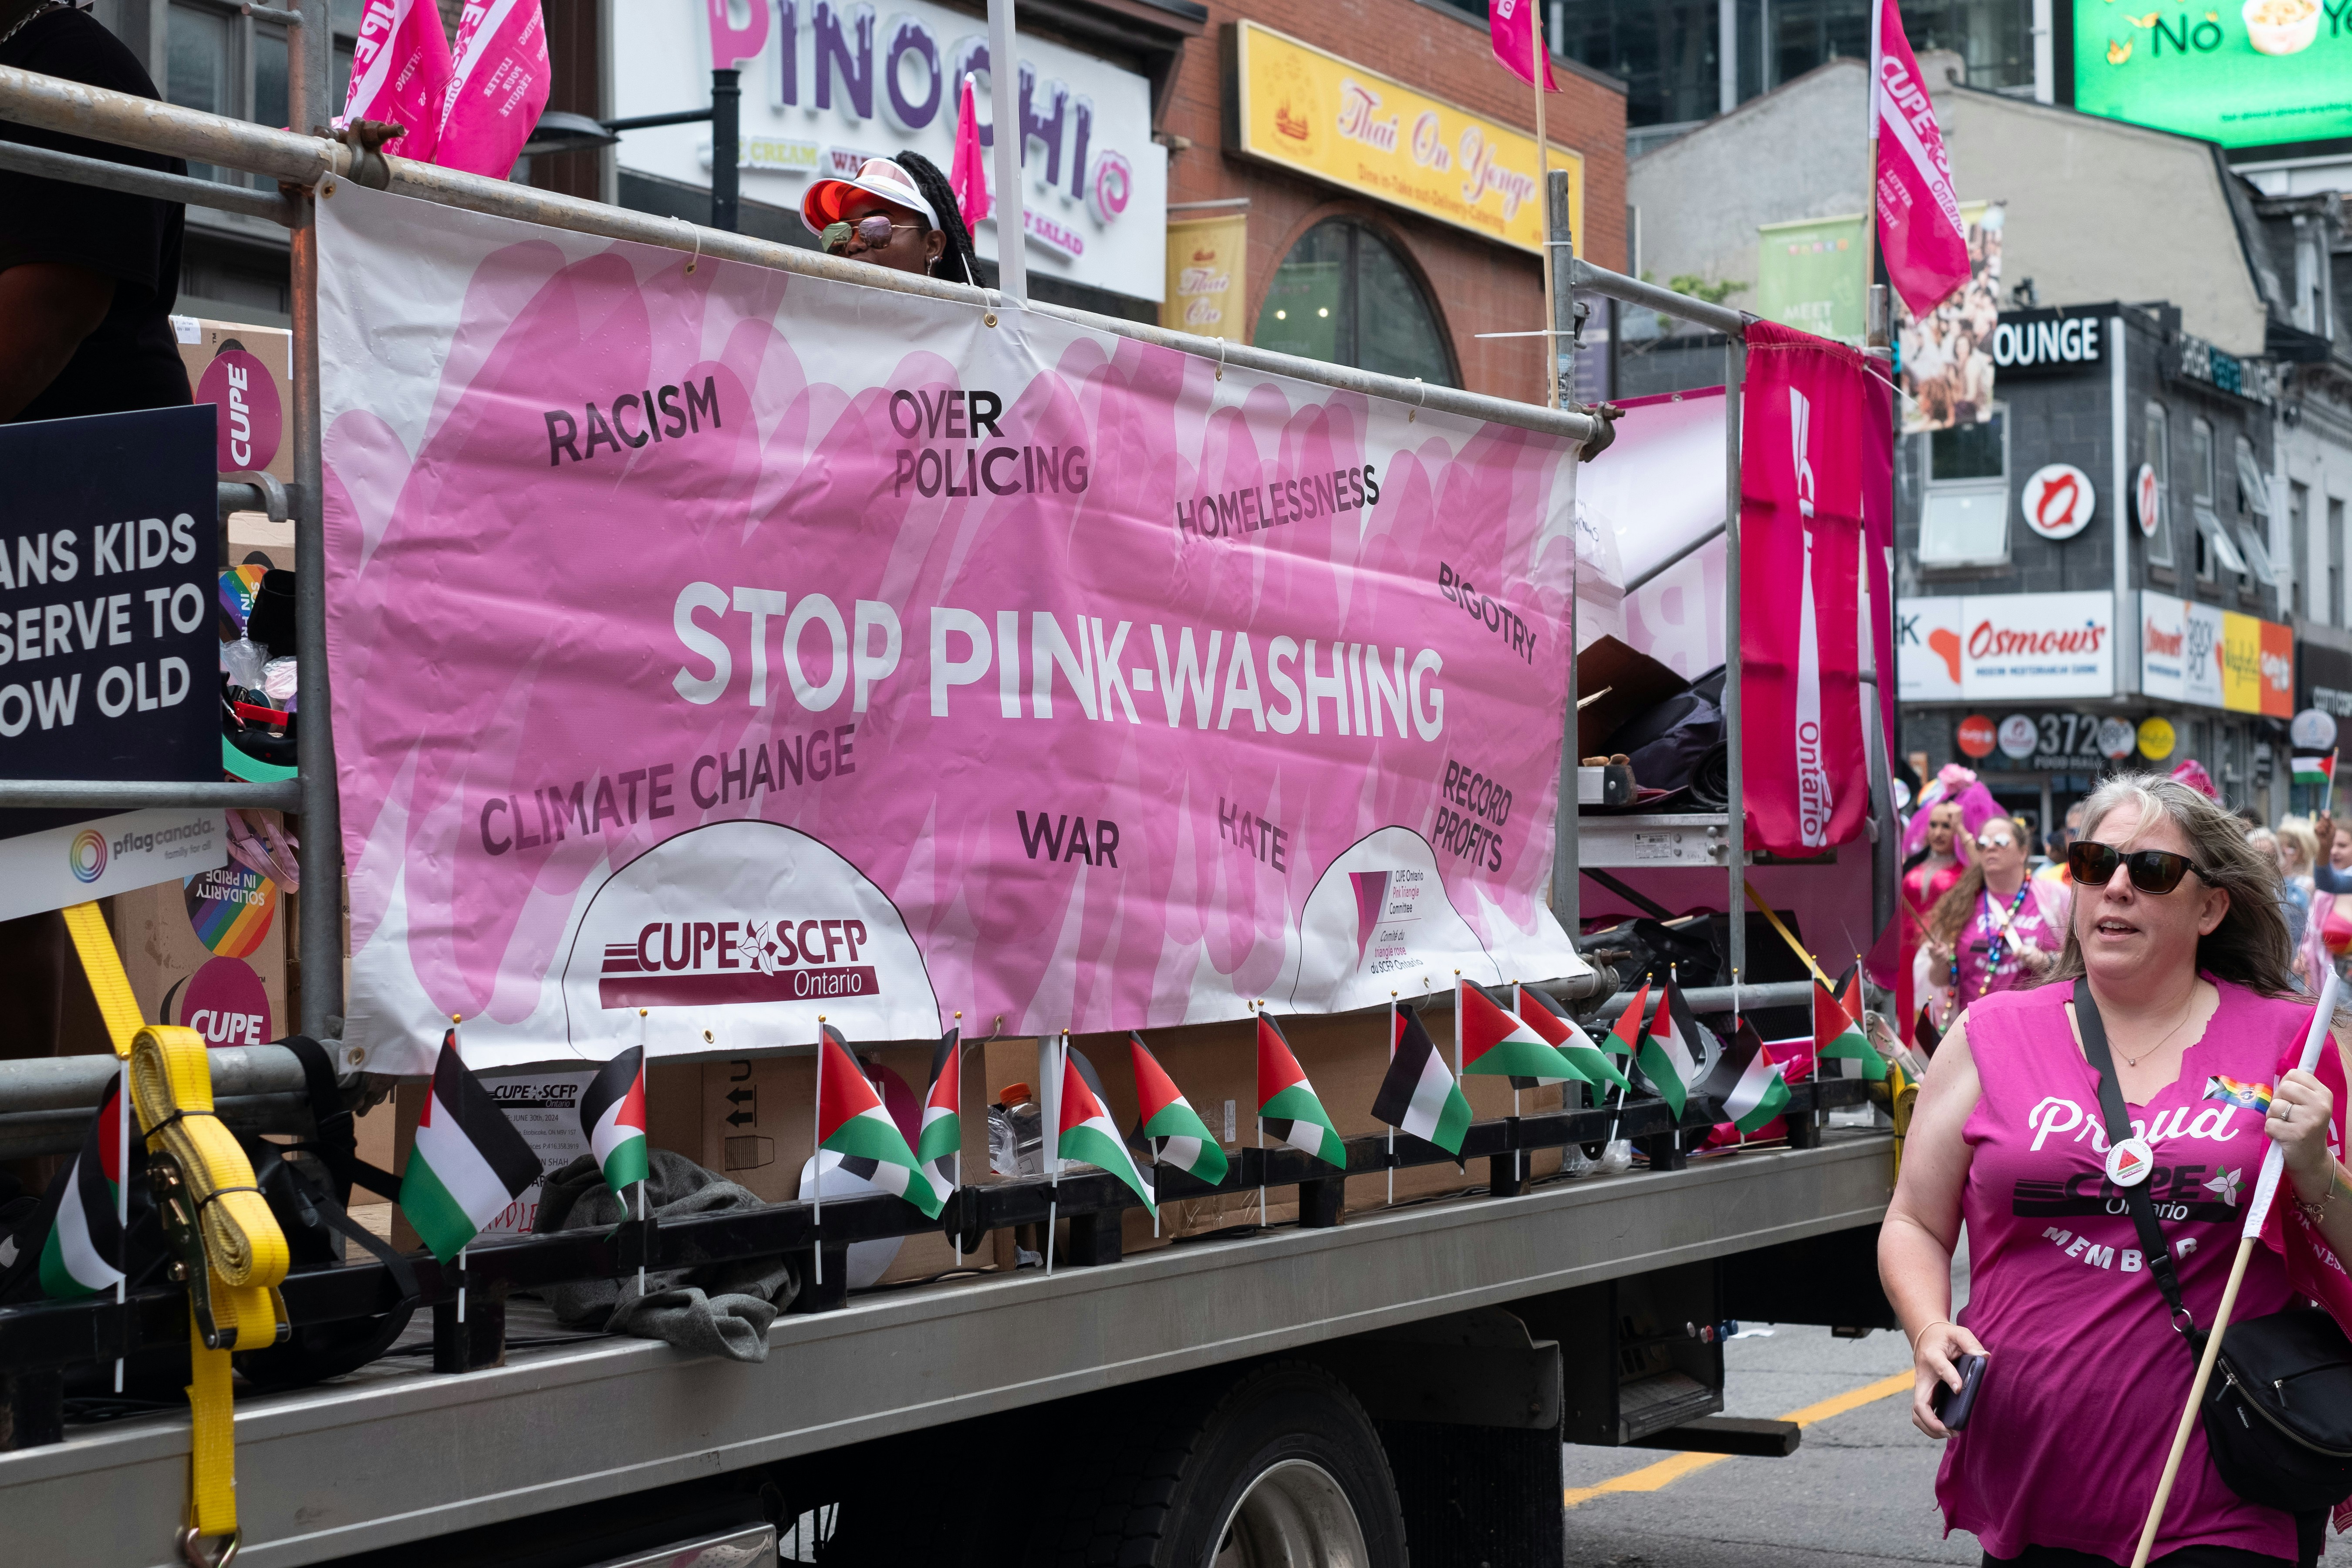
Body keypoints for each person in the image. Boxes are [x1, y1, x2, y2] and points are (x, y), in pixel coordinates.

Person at [1881, 774, 2352, 1567]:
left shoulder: (2293, 1042)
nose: (2118, 888)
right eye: (2096, 864)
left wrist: (2317, 1170)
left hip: (2225, 1491)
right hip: (2031, 1482)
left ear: (2210, 907)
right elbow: (1914, 1222)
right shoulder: (1989, 1033)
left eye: (2153, 871)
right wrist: (1929, 1330)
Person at [0, 0, 193, 1097]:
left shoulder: (72, 68)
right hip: (54, 523)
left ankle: (56, 1202)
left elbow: (49, 308)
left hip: (74, 529)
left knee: (41, 874)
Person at [1917, 816, 2067, 1027]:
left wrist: (2047, 962)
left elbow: (2081, 962)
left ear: (2023, 852)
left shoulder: (2056, 898)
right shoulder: (1961, 905)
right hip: (1974, 1033)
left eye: (2001, 842)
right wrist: (1942, 963)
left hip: (2037, 1031)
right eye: (1983, 843)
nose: (1991, 848)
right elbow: (1941, 980)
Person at [800, 152, 981, 287]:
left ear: (932, 246)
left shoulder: (976, 334)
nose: (853, 245)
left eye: (876, 228)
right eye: (839, 235)